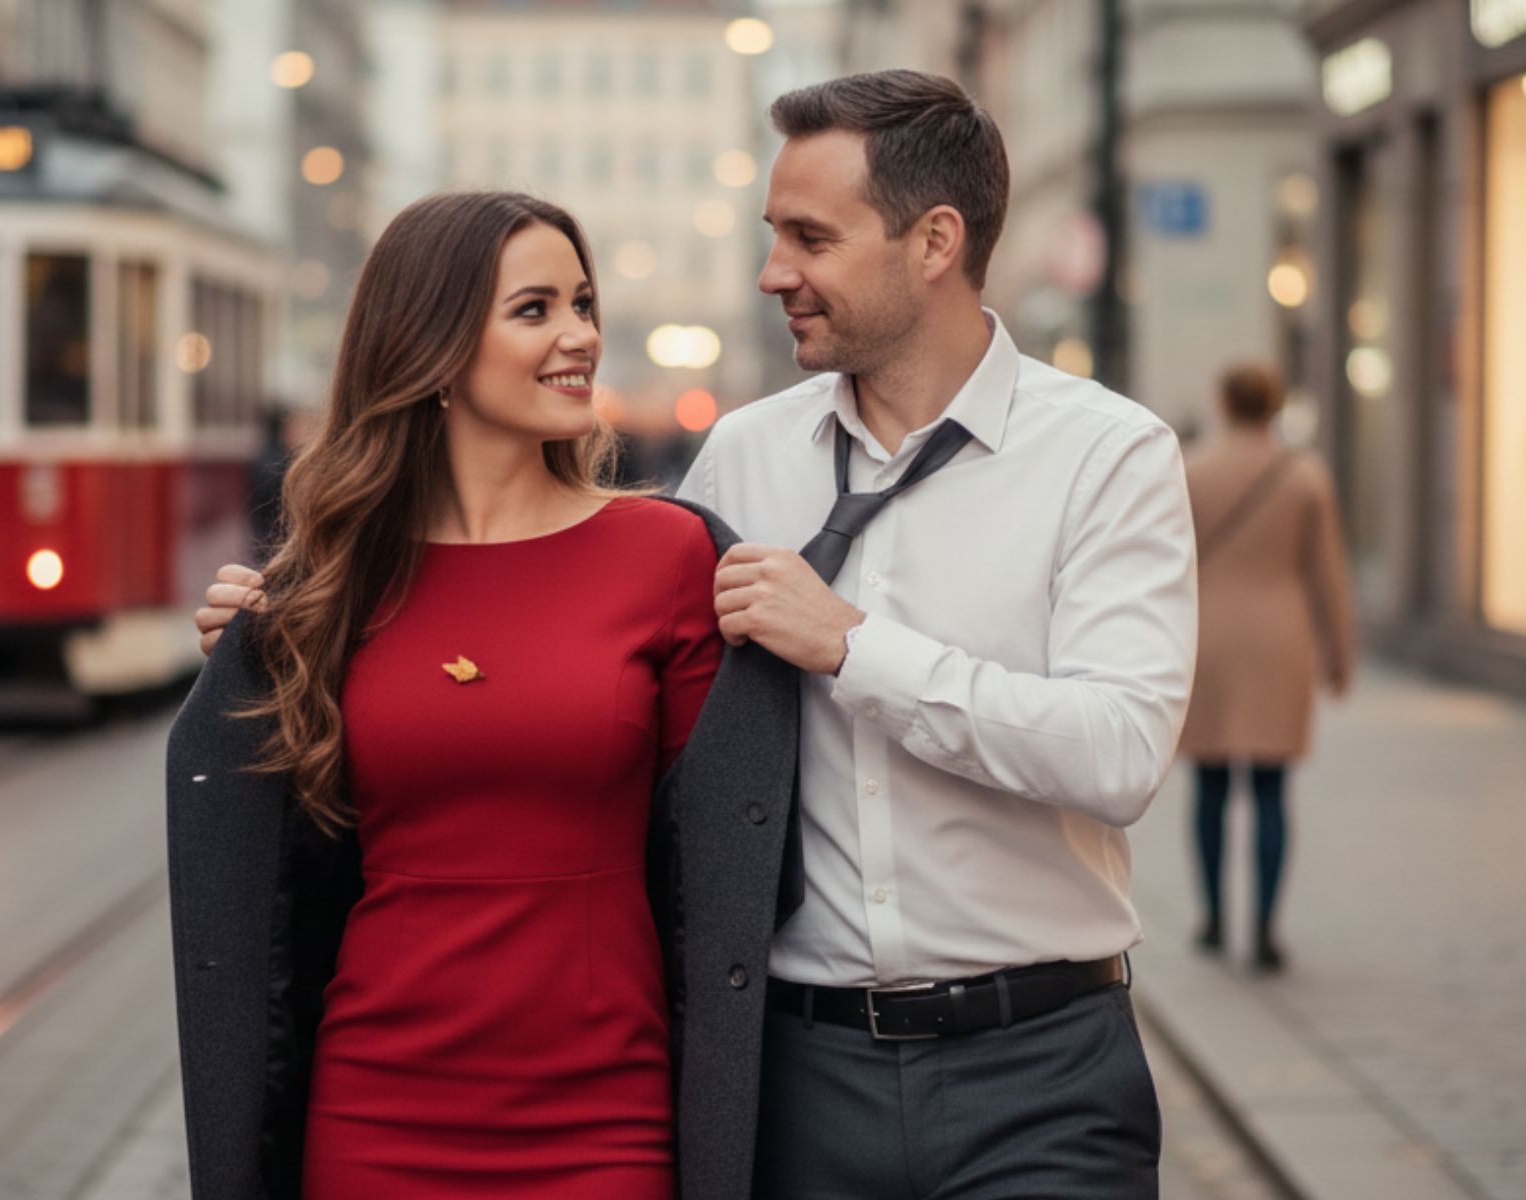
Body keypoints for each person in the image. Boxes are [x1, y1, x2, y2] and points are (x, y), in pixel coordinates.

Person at [200, 71, 1198, 1199]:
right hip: (798, 1069)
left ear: (934, 241)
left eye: (809, 239)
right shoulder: (740, 466)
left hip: (1042, 1064)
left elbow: (1121, 751)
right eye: (774, 236)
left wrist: (854, 647)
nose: (775, 273)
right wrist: (277, 638)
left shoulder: (1108, 456)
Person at [164, 190, 802, 1200]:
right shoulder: (326, 586)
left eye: (584, 304)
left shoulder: (669, 555)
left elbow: (717, 872)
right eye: (536, 309)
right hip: (375, 1115)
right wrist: (251, 668)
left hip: (608, 1122)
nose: (581, 337)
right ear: (434, 344)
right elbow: (283, 867)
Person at [1177, 363, 1355, 973]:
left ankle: (1213, 921)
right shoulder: (1305, 476)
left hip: (1208, 641)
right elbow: (1328, 575)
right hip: (1281, 640)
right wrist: (1340, 655)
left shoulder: (1189, 469)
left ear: (1224, 402)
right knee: (1273, 788)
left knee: (1209, 785)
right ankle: (1266, 931)